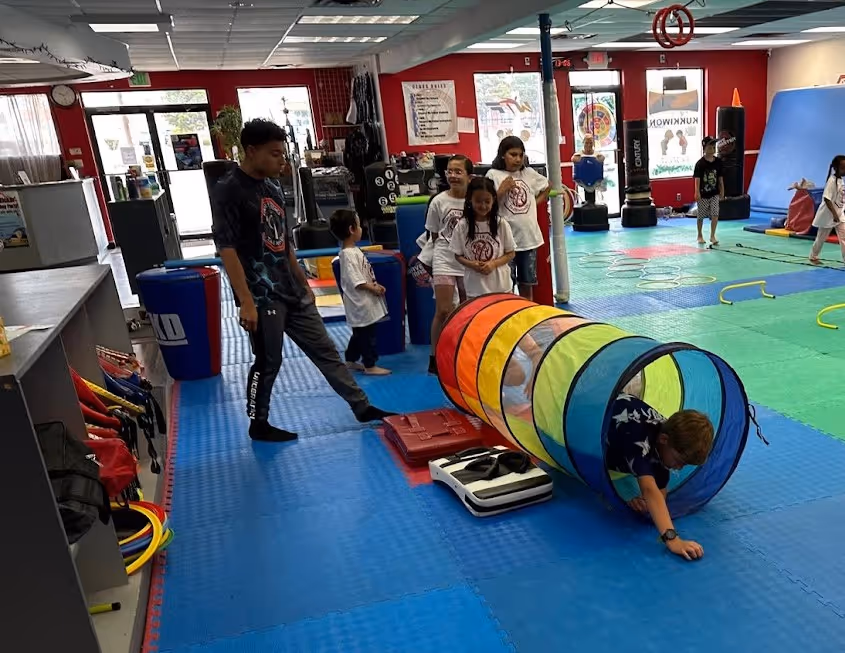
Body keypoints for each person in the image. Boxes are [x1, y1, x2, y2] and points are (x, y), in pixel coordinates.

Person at [211, 118, 393, 442]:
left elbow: (283, 242)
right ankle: (259, 422)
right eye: (274, 153)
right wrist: (246, 302)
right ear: (250, 151)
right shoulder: (229, 190)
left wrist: (302, 281)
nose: (281, 160)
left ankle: (361, 406)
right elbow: (227, 249)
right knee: (268, 360)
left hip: (291, 288)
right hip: (260, 293)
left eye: (283, 153)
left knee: (326, 349)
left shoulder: (272, 186)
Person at [605, 393, 714, 561]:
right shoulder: (638, 439)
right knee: (636, 462)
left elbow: (659, 491)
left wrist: (644, 503)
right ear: (664, 439)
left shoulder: (666, 442)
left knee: (654, 470)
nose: (678, 467)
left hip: (624, 421)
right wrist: (673, 540)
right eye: (679, 461)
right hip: (598, 415)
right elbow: (649, 489)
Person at [486, 136, 550, 301]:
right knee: (506, 285)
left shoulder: (528, 173)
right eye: (513, 154)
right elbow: (486, 205)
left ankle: (527, 318)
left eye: (521, 155)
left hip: (528, 238)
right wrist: (501, 191)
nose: (517, 159)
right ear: (502, 155)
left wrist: (535, 202)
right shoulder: (493, 174)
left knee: (526, 284)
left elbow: (547, 186)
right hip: (505, 241)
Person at [425, 154, 472, 375]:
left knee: (466, 309)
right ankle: (435, 356)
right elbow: (434, 234)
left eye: (458, 171)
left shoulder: (473, 201)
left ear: (469, 176)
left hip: (467, 260)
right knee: (443, 310)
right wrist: (442, 255)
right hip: (444, 258)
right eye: (450, 171)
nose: (453, 176)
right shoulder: (439, 201)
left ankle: (463, 352)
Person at [329, 209, 391, 376]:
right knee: (367, 335)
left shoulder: (354, 251)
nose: (361, 228)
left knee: (359, 334)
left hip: (364, 301)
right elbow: (357, 281)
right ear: (351, 229)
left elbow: (363, 275)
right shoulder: (348, 255)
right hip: (360, 303)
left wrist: (375, 284)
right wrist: (374, 288)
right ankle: (370, 364)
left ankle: (350, 359)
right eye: (359, 225)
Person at [450, 177, 516, 299]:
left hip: (501, 287)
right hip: (475, 290)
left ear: (493, 200)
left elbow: (511, 253)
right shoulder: (462, 225)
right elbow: (457, 255)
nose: (483, 205)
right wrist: (472, 264)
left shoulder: (501, 224)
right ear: (470, 199)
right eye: (478, 201)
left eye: (487, 201)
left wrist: (494, 264)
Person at [809, 154, 845, 264]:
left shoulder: (840, 181)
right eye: (843, 167)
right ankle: (813, 256)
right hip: (828, 215)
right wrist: (834, 214)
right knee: (821, 238)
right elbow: (827, 199)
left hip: (839, 214)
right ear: (836, 168)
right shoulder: (832, 181)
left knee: (844, 237)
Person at [694, 136, 725, 246]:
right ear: (705, 148)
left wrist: (722, 190)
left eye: (714, 146)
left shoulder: (718, 162)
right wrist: (696, 192)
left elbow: (720, 178)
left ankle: (712, 235)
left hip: (714, 193)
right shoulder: (700, 164)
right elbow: (697, 179)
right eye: (710, 146)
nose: (713, 148)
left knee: (715, 213)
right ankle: (699, 235)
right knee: (701, 215)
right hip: (703, 194)